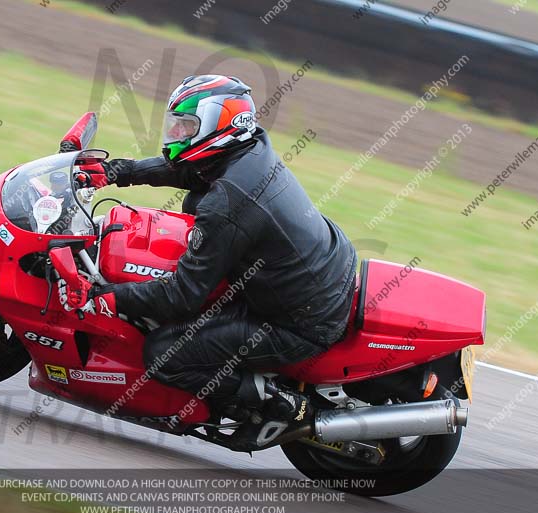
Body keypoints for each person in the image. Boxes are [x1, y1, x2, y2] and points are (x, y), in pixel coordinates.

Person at [66, 74, 358, 450]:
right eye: (177, 124)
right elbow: (187, 168)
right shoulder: (248, 151)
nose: (176, 134)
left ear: (220, 127)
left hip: (299, 322)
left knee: (165, 354)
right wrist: (117, 171)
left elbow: (182, 296)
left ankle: (282, 407)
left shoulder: (230, 202)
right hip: (317, 274)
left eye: (187, 126)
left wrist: (105, 297)